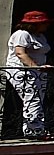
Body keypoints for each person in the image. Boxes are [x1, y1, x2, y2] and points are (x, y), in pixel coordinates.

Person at [3, 10, 50, 139]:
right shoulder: (22, 35)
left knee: (37, 99)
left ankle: (37, 129)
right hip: (22, 72)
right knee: (32, 99)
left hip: (37, 73)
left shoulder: (40, 36)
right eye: (44, 23)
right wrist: (36, 67)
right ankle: (34, 131)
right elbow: (20, 53)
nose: (46, 25)